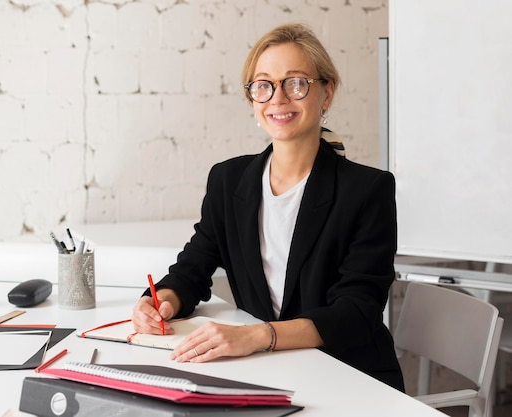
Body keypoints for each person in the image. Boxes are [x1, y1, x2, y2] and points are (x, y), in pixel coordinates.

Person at [131, 22, 405, 392]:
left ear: (326, 93)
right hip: (267, 372)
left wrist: (259, 336)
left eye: (296, 83)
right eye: (264, 85)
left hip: (348, 374)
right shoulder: (228, 180)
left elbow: (356, 313)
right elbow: (191, 270)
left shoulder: (367, 190)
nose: (277, 98)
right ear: (252, 98)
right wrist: (160, 301)